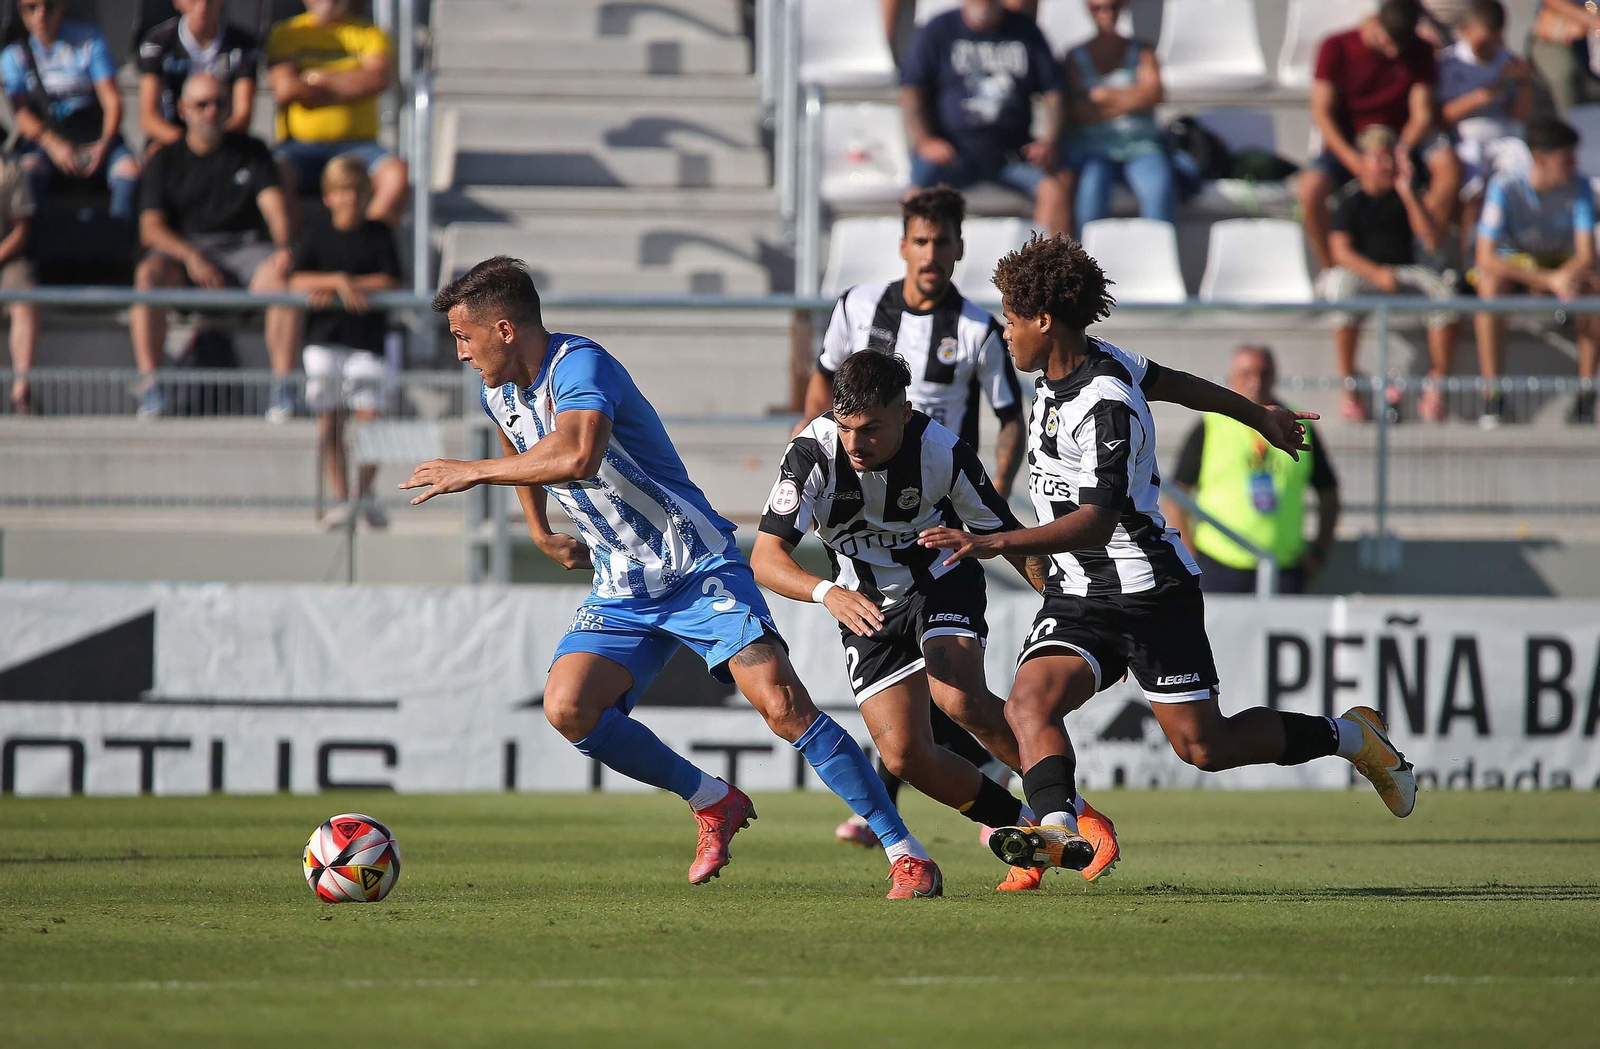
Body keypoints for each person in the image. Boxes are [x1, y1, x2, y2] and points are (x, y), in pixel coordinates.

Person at [402, 256, 944, 899]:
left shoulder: (580, 365)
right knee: (569, 707)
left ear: (505, 329)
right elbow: (516, 442)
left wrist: (468, 473)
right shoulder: (500, 388)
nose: (460, 353)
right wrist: (540, 530)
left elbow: (578, 454)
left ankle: (904, 851)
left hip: (694, 564)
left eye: (464, 337)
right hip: (622, 583)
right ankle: (711, 799)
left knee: (782, 706)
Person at [915, 234, 1417, 875]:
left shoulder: (1105, 404)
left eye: (1011, 320)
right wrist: (1256, 416)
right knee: (1029, 704)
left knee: (1204, 746)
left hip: (1148, 590)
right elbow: (1175, 382)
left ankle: (1353, 737)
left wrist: (994, 541)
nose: (1005, 333)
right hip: (1079, 592)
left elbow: (1096, 522)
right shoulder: (1087, 363)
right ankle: (1058, 830)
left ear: (1044, 321)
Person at [756, 351, 1120, 891]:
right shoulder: (813, 452)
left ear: (904, 412)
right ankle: (1024, 835)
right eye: (846, 426)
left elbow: (1006, 537)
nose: (855, 443)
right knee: (903, 755)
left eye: (871, 428)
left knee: (956, 694)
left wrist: (1068, 608)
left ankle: (1072, 809)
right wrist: (826, 591)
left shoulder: (942, 452)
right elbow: (765, 558)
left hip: (940, 580)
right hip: (863, 603)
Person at [801, 188, 1025, 497]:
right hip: (861, 487)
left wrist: (999, 489)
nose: (930, 256)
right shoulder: (857, 305)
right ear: (904, 247)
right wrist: (816, 443)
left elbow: (1010, 418)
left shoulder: (979, 329)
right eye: (921, 242)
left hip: (939, 497)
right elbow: (824, 376)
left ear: (959, 248)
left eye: (941, 242)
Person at [131, 73, 298, 421]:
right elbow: (151, 228)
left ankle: (283, 387)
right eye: (201, 104)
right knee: (148, 275)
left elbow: (274, 209)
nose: (211, 111)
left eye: (219, 103)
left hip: (245, 250)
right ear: (183, 109)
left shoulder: (252, 151)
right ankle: (152, 387)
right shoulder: (165, 159)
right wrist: (191, 255)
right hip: (185, 254)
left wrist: (283, 246)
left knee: (283, 279)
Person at [1298, 0, 1459, 273]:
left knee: (1449, 168)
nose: (1395, 51)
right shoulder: (1336, 46)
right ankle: (1331, 274)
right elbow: (1321, 113)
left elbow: (1422, 115)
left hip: (1399, 143)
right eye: (1389, 41)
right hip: (1351, 145)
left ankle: (1426, 253)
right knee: (1310, 190)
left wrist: (1400, 151)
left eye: (1402, 45)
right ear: (1374, 23)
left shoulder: (1419, 50)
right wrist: (1354, 160)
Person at [1165, 346, 1341, 596]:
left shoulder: (1297, 426)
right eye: (1246, 373)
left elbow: (1329, 492)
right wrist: (1190, 556)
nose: (1256, 381)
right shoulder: (1210, 425)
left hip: (1284, 565)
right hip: (1219, 564)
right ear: (1231, 377)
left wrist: (1319, 552)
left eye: (1264, 373)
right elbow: (1176, 494)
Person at [289, 153, 401, 530]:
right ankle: (341, 499)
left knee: (372, 422)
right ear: (328, 196)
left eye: (355, 191)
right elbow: (296, 279)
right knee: (330, 422)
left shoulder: (378, 233)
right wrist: (336, 282)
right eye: (341, 191)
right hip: (324, 340)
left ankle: (361, 494)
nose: (349, 199)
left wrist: (347, 285)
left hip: (366, 342)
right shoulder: (316, 231)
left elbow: (391, 281)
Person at [1320, 124, 1460, 423]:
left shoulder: (1409, 196)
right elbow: (1340, 251)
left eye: (1390, 158)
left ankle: (1437, 382)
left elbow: (1430, 239)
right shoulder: (1350, 202)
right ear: (1364, 162)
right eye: (1379, 158)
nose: (1387, 165)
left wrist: (1408, 192)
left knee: (1444, 296)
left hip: (1408, 272)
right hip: (1367, 273)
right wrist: (1377, 273)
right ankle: (1349, 385)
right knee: (1341, 291)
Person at [899, 0, 1070, 235]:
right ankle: (925, 265)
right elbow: (911, 91)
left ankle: (1049, 267)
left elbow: (1054, 91)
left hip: (1011, 154)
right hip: (953, 154)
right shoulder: (938, 30)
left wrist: (1048, 141)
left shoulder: (1025, 30)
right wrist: (924, 140)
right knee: (917, 197)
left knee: (1055, 189)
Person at [1473, 117, 1599, 427]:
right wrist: (1546, 281)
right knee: (1489, 289)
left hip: (1560, 266)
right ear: (1540, 159)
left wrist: (1560, 278)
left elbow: (1585, 255)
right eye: (1565, 158)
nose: (1573, 164)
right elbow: (1485, 257)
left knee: (1595, 290)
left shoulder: (1579, 187)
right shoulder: (1504, 186)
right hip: (1519, 269)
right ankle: (1493, 397)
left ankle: (1585, 398)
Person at [266, 0, 409, 225]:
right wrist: (350, 84)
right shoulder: (287, 32)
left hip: (359, 146)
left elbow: (377, 79)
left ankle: (362, 242)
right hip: (301, 147)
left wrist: (316, 79)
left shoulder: (371, 33)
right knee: (273, 173)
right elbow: (285, 89)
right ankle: (295, 250)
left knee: (396, 175)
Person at [1, 0, 140, 220]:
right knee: (26, 174)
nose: (41, 14)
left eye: (50, 6)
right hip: (45, 140)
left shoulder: (89, 41)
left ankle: (121, 239)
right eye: (32, 7)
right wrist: (53, 144)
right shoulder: (14, 56)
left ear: (62, 6)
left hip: (94, 134)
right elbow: (22, 115)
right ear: (21, 12)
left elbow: (112, 100)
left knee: (129, 172)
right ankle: (36, 244)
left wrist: (103, 144)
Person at [1061, 0, 1176, 232]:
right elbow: (1077, 110)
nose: (1106, 14)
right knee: (1090, 194)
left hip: (1141, 146)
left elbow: (1153, 95)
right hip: (1092, 150)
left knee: (1159, 189)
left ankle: (1156, 258)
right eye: (1098, 8)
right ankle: (1087, 264)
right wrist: (1133, 97)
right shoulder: (1075, 55)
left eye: (1112, 7)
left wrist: (1101, 97)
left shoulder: (1142, 51)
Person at [1436, 0, 1534, 259]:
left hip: (1505, 136)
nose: (1490, 48)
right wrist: (1479, 98)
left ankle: (1516, 250)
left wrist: (1524, 84)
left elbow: (1519, 115)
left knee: (1520, 178)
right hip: (1466, 137)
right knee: (1474, 181)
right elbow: (1441, 116)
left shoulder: (1510, 63)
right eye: (1484, 42)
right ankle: (1470, 253)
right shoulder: (1449, 64)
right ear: (1467, 31)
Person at [137, 0, 261, 151]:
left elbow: (243, 114)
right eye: (193, 0)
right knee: (152, 157)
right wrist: (190, 145)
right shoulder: (157, 42)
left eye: (209, 0)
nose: (202, 7)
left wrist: (211, 143)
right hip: (171, 138)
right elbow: (148, 117)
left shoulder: (243, 45)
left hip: (224, 140)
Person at [0, 155, 41, 416]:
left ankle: (21, 392)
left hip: (7, 259)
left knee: (24, 298)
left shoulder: (11, 171)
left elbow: (20, 230)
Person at [1527, 0, 1600, 115]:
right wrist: (1588, 19)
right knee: (1565, 72)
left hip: (1591, 44)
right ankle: (1571, 124)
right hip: (1557, 42)